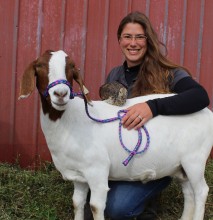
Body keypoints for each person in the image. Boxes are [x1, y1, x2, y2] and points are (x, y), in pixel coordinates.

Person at [85, 11, 210, 220]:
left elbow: (200, 96)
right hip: (122, 158)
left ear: (148, 40)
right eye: (127, 37)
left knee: (116, 209)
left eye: (139, 37)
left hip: (156, 160)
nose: (133, 43)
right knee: (95, 206)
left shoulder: (168, 72)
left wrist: (152, 107)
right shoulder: (115, 75)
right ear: (119, 40)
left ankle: (149, 205)